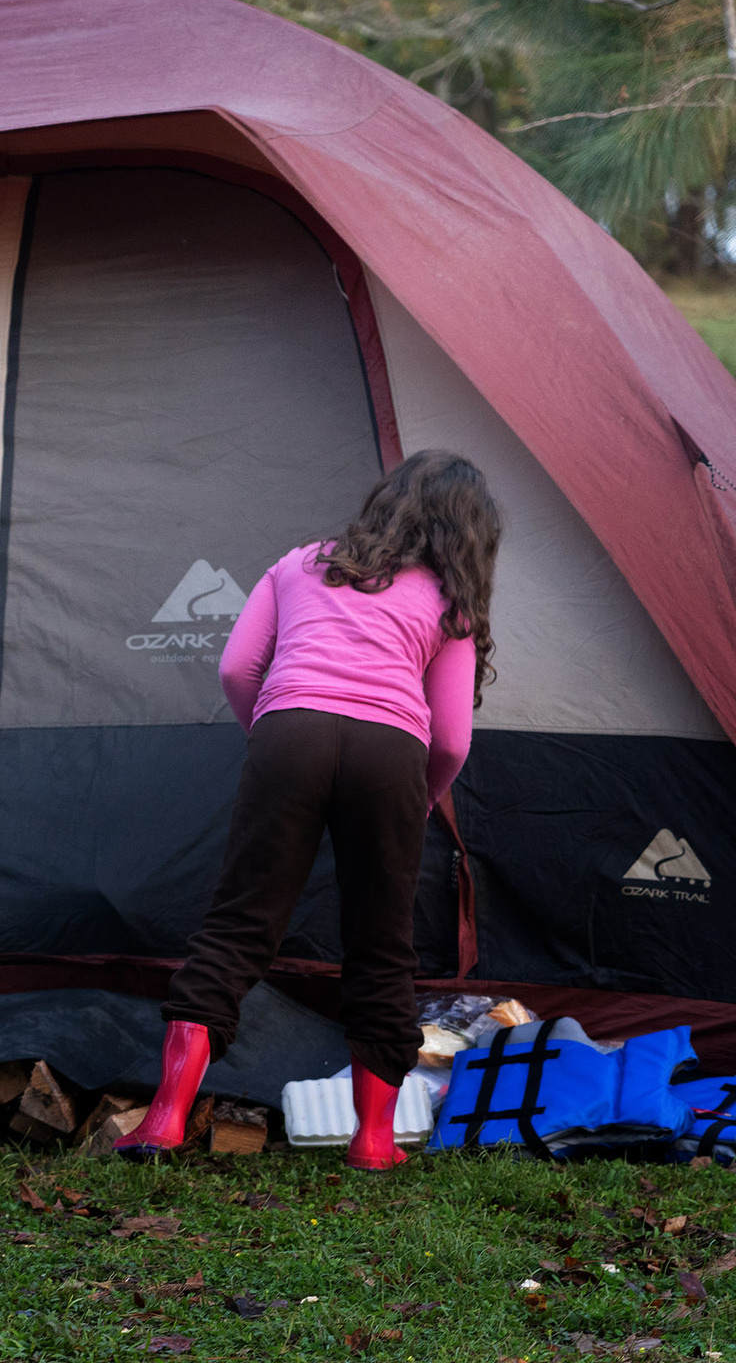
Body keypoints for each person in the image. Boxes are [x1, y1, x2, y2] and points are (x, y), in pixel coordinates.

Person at [116, 450, 500, 1171]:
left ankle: (164, 1119)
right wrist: (418, 799)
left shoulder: (299, 564)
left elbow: (236, 667)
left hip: (288, 732)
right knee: (381, 944)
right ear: (468, 536)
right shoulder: (449, 602)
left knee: (237, 924)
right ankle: (374, 1140)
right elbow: (449, 737)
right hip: (391, 755)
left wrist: (273, 732)